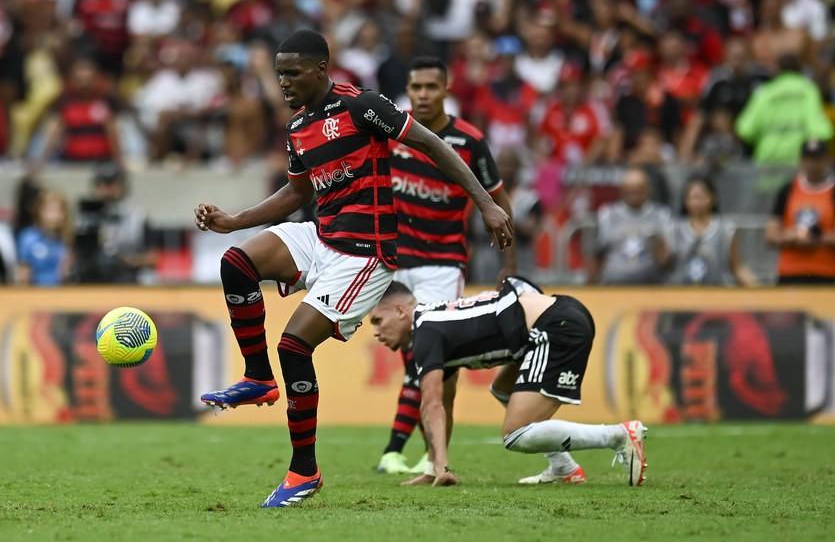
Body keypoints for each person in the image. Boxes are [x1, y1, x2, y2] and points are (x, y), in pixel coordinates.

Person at [193, 30, 513, 508]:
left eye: (293, 73)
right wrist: (235, 221)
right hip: (323, 236)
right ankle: (257, 378)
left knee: (295, 345)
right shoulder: (298, 125)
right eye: (279, 73)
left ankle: (304, 471)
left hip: (366, 253)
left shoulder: (364, 107)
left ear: (321, 69)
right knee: (237, 262)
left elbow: (433, 144)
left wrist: (485, 203)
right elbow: (299, 193)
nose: (283, 82)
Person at [376, 57, 516, 476]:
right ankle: (409, 452)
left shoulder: (470, 141)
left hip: (442, 264)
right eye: (415, 87)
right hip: (394, 264)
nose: (421, 95)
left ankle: (432, 455)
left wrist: (508, 264)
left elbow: (497, 204)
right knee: (412, 360)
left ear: (446, 89)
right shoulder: (392, 129)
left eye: (430, 88)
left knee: (437, 360)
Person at [368, 278, 647, 487]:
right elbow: (441, 404)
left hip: (555, 326)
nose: (377, 333)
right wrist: (434, 466)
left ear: (402, 311)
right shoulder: (433, 323)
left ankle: (619, 436)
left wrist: (441, 466)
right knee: (502, 389)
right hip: (561, 315)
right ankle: (564, 467)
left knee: (516, 434)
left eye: (378, 321)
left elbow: (430, 404)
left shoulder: (425, 331)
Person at [766, 140, 835, 284]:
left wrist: (818, 237)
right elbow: (771, 234)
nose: (813, 165)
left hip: (826, 272)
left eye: (817, 159)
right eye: (808, 159)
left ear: (827, 160)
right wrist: (791, 237)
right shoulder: (787, 190)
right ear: (801, 161)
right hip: (790, 271)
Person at [736, 54, 833, 167]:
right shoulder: (808, 90)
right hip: (797, 161)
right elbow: (819, 129)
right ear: (799, 68)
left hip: (767, 163)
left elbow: (745, 129)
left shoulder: (765, 92)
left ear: (777, 69)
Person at [587, 168, 674, 285]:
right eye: (630, 189)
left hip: (651, 287)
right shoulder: (607, 215)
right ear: (621, 190)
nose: (634, 193)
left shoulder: (661, 215)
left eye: (639, 189)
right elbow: (593, 254)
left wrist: (658, 248)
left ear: (648, 189)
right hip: (612, 286)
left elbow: (668, 261)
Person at [74, 164, 156, 284]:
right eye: (101, 183)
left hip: (128, 276)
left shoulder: (137, 216)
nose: (107, 189)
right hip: (93, 277)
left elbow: (153, 258)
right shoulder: (85, 216)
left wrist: (128, 261)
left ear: (122, 185)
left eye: (111, 183)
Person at [669, 176, 756, 286]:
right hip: (682, 292)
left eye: (701, 197)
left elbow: (737, 267)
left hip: (717, 292)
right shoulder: (674, 229)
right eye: (693, 197)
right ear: (685, 201)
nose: (697, 202)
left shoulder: (726, 229)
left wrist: (755, 287)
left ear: (713, 198)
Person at [16, 189, 73, 286]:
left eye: (59, 210)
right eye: (50, 210)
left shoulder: (67, 238)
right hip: (36, 294)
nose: (54, 216)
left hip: (62, 294)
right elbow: (23, 275)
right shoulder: (28, 238)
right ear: (40, 211)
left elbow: (67, 274)